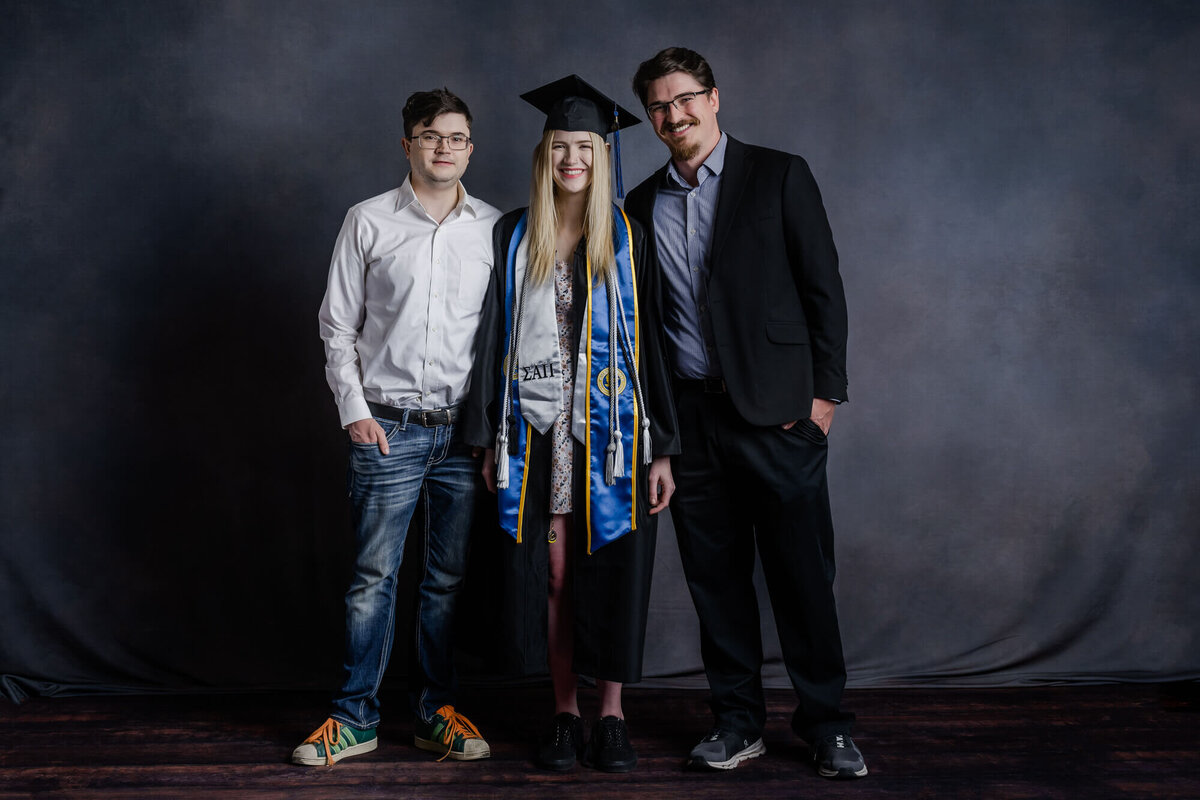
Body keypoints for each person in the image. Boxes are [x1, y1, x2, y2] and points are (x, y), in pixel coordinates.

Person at [623, 48, 867, 779]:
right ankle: (737, 724)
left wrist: (823, 401)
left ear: (715, 98)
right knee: (716, 585)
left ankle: (828, 726)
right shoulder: (640, 204)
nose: (675, 115)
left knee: (801, 580)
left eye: (685, 98)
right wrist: (661, 442)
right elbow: (644, 334)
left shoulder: (779, 174)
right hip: (692, 427)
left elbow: (825, 289)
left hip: (780, 421)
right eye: (659, 106)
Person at [463, 74, 679, 773]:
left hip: (611, 436)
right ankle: (563, 712)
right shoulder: (512, 233)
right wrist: (489, 437)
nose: (571, 160)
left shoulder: (628, 238)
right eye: (560, 146)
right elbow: (491, 339)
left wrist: (662, 448)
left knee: (612, 573)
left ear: (602, 152)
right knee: (555, 577)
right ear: (544, 154)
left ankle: (611, 716)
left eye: (584, 146)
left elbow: (652, 349)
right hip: (535, 435)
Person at [294, 88, 501, 766]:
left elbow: (505, 340)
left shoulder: (495, 229)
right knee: (373, 577)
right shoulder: (368, 221)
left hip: (463, 437)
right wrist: (353, 409)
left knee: (446, 581)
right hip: (389, 429)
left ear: (472, 147)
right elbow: (337, 323)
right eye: (430, 134)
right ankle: (354, 717)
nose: (444, 146)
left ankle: (434, 712)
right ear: (406, 143)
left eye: (457, 137)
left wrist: (494, 430)